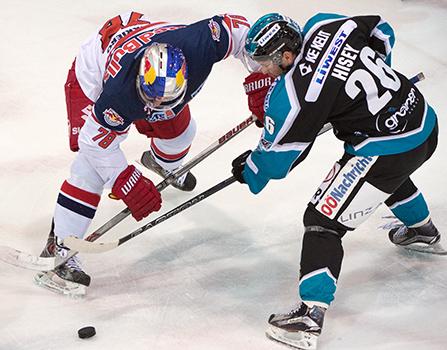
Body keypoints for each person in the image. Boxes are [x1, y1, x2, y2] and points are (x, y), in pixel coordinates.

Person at [231, 13, 440, 350]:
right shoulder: (325, 24)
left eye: (266, 63)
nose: (263, 71)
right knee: (381, 180)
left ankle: (309, 317)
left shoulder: (293, 94)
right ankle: (423, 230)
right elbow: (382, 31)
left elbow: (277, 161)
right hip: (424, 122)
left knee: (321, 220)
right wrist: (378, 81)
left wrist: (250, 170)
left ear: (286, 55)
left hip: (386, 148)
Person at [35, 11, 256, 297]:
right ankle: (61, 246)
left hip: (143, 51)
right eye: (151, 101)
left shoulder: (199, 45)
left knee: (182, 133)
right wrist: (125, 180)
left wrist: (262, 78)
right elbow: (94, 141)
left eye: (166, 102)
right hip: (93, 77)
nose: (156, 110)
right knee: (90, 169)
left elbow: (244, 33)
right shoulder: (119, 92)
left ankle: (161, 163)